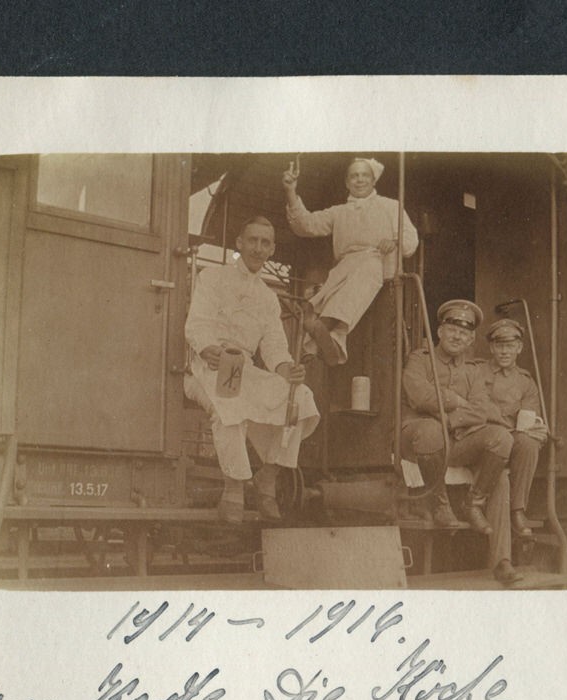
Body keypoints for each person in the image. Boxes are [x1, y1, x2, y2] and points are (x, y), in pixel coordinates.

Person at [185, 216, 319, 522]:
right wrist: (208, 348)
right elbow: (197, 324)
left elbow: (273, 346)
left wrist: (286, 368)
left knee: (300, 398)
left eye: (265, 243)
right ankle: (233, 489)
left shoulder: (268, 298)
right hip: (207, 365)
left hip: (243, 368)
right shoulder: (212, 277)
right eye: (253, 241)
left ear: (272, 249)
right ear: (240, 243)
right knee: (230, 402)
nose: (258, 248)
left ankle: (267, 478)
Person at [401, 299, 522, 584]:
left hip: (455, 441)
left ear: (470, 340)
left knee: (502, 442)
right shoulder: (420, 359)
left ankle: (497, 551)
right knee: (431, 431)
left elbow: (482, 409)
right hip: (419, 439)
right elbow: (419, 396)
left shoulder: (473, 371)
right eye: (452, 330)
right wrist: (456, 400)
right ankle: (440, 504)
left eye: (464, 333)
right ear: (440, 331)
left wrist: (450, 419)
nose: (457, 337)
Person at [283, 157, 419, 366]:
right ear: (347, 182)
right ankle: (335, 338)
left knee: (370, 268)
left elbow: (411, 242)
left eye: (365, 175)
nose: (360, 180)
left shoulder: (391, 206)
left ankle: (320, 331)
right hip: (345, 271)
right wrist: (291, 191)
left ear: (373, 180)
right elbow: (306, 224)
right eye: (354, 176)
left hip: (379, 269)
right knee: (344, 281)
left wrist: (394, 242)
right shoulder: (339, 212)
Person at [472, 318, 548, 538]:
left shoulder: (525, 382)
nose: (505, 351)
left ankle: (517, 509)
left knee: (529, 443)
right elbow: (477, 408)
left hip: (508, 440)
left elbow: (526, 419)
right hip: (480, 437)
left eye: (510, 346)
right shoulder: (477, 371)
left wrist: (534, 430)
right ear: (491, 348)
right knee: (504, 438)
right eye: (499, 346)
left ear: (519, 348)